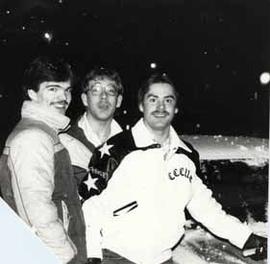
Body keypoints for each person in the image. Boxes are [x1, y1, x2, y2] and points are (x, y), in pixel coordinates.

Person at [82, 73, 267, 264]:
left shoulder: (185, 155)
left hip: (163, 259)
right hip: (117, 257)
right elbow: (90, 209)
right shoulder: (116, 150)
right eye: (153, 100)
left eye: (167, 100)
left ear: (175, 108)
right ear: (141, 105)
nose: (161, 107)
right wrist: (93, 256)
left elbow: (206, 210)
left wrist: (246, 238)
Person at [0, 56, 87, 264]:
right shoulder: (32, 137)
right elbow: (36, 211)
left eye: (67, 90)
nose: (63, 97)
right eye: (52, 89)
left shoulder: (45, 132)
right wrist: (64, 255)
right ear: (32, 93)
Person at [60, 67, 123, 201]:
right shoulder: (64, 141)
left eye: (110, 91)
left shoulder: (129, 145)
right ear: (84, 99)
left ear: (118, 101)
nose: (104, 97)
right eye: (95, 91)